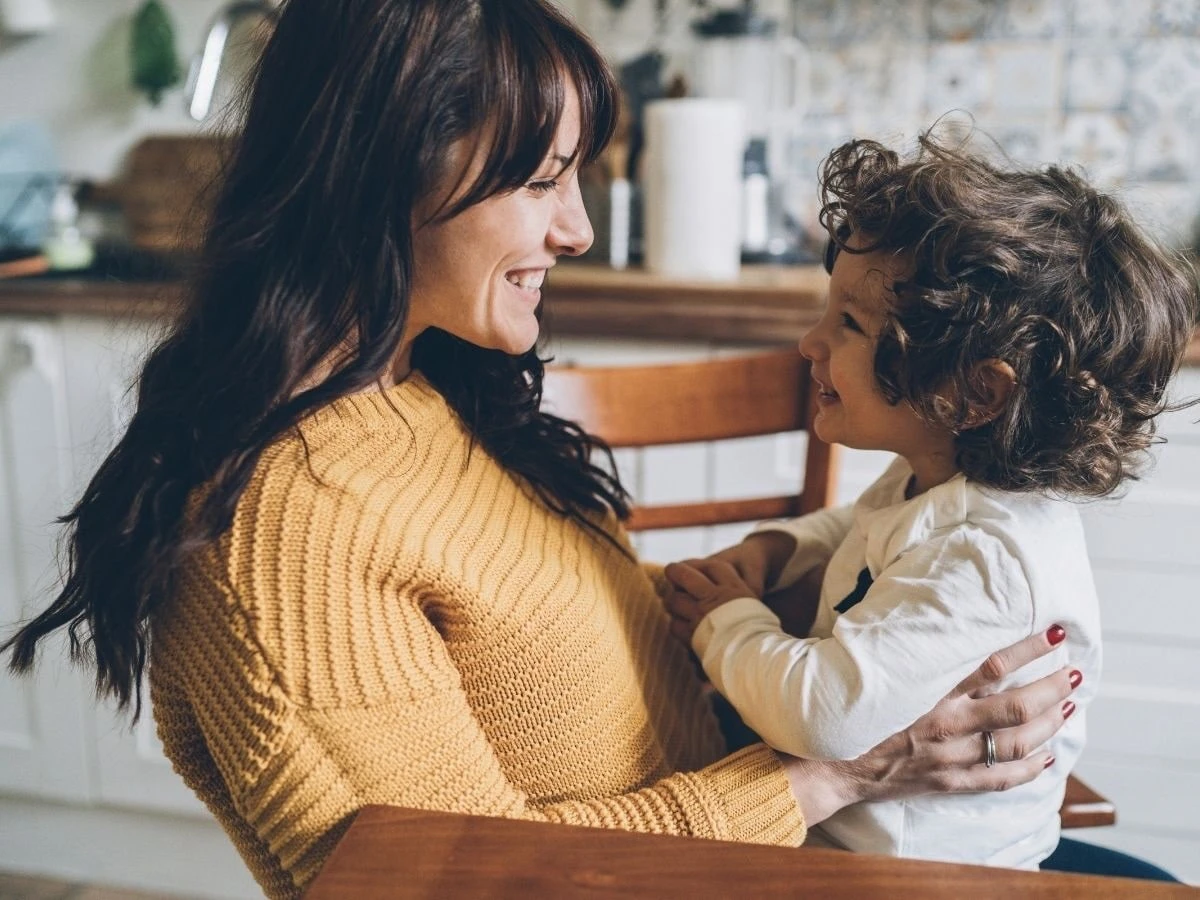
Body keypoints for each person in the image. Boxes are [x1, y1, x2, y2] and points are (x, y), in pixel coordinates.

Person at [1, 4, 1081, 898]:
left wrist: (916, 668)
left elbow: (556, 654)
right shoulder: (282, 532)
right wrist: (839, 770)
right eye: (541, 180)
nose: (578, 231)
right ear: (386, 177)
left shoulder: (427, 396)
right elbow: (463, 883)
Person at [664, 135, 1198, 870]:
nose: (810, 343)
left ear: (975, 392)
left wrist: (723, 622)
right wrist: (780, 550)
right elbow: (865, 526)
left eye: (849, 324)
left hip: (916, 877)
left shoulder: (985, 556)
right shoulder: (943, 482)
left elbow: (822, 715)